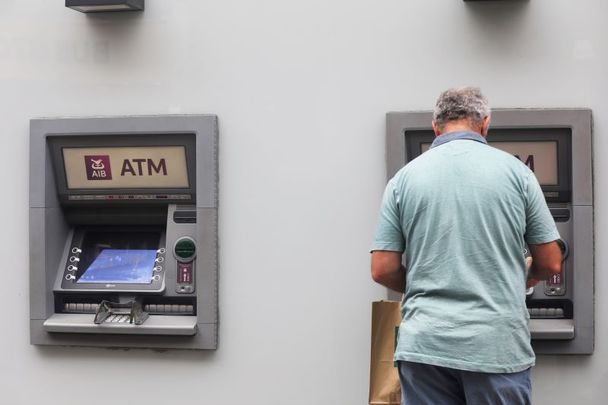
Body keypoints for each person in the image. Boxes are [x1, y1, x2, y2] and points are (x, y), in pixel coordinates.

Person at [370, 87, 563, 405]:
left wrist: (425, 282)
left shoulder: (403, 179)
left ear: (435, 126)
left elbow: (382, 269)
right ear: (485, 124)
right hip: (494, 344)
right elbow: (552, 262)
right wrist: (521, 278)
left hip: (424, 346)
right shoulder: (518, 174)